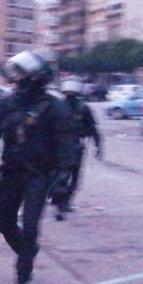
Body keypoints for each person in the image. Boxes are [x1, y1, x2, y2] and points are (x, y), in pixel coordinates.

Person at [0, 51, 79, 284]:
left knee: (31, 226)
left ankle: (23, 275)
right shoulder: (8, 102)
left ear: (36, 77)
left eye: (22, 73)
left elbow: (67, 144)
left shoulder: (55, 107)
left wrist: (63, 177)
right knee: (4, 221)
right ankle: (28, 250)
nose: (17, 78)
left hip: (39, 175)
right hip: (11, 172)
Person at [53, 76, 103, 220]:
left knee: (72, 178)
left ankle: (64, 203)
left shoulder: (83, 108)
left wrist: (99, 145)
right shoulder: (57, 106)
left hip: (74, 146)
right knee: (62, 177)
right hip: (62, 146)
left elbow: (92, 128)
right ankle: (60, 205)